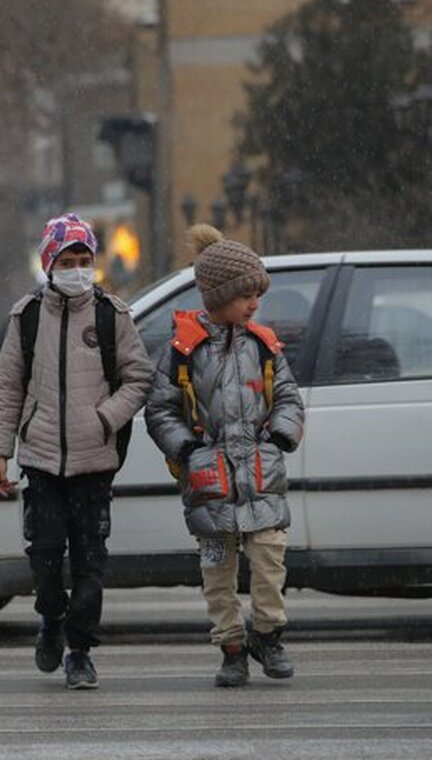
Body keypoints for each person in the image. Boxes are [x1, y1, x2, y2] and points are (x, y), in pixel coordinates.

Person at [0, 213, 152, 690]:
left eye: (85, 260)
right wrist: (0, 451)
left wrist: (104, 417)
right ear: (49, 263)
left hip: (94, 463)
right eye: (68, 260)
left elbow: (139, 377)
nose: (78, 269)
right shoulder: (28, 316)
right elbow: (7, 386)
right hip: (40, 461)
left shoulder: (112, 315)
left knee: (89, 562)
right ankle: (50, 620)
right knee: (43, 555)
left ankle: (79, 650)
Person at [145, 224, 305, 688]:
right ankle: (231, 646)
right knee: (217, 571)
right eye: (247, 295)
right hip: (209, 479)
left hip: (260, 473)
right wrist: (187, 449)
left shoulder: (264, 346)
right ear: (218, 296)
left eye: (258, 294)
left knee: (271, 560)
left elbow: (289, 398)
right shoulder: (183, 351)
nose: (255, 303)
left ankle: (268, 634)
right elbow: (161, 408)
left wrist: (279, 437)